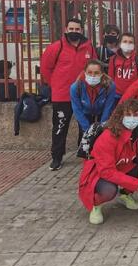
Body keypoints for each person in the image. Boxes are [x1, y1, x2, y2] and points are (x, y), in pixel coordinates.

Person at [78, 99, 138, 225]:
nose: (132, 118)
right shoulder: (108, 136)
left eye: (136, 115)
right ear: (120, 116)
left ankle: (125, 194)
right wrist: (135, 183)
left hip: (124, 166)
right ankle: (95, 205)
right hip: (99, 172)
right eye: (128, 115)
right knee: (109, 190)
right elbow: (106, 171)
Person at [40, 17, 96, 171]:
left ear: (82, 31)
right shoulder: (55, 48)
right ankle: (57, 157)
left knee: (85, 127)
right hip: (62, 96)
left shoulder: (88, 47)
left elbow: (94, 67)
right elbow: (45, 69)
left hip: (84, 96)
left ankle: (84, 154)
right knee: (60, 127)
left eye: (77, 29)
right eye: (71, 29)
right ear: (66, 30)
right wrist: (56, 85)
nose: (74, 32)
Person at [70, 60, 116, 136]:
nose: (93, 76)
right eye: (90, 72)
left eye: (96, 73)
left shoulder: (110, 86)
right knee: (83, 137)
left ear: (102, 74)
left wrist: (101, 127)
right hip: (85, 113)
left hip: (101, 112)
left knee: (101, 137)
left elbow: (108, 107)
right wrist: (87, 130)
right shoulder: (75, 87)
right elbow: (77, 110)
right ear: (85, 72)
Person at [108, 32, 138, 102]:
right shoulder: (113, 59)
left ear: (134, 45)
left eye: (130, 42)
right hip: (117, 96)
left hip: (133, 96)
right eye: (125, 41)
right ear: (120, 44)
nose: (127, 44)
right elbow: (111, 79)